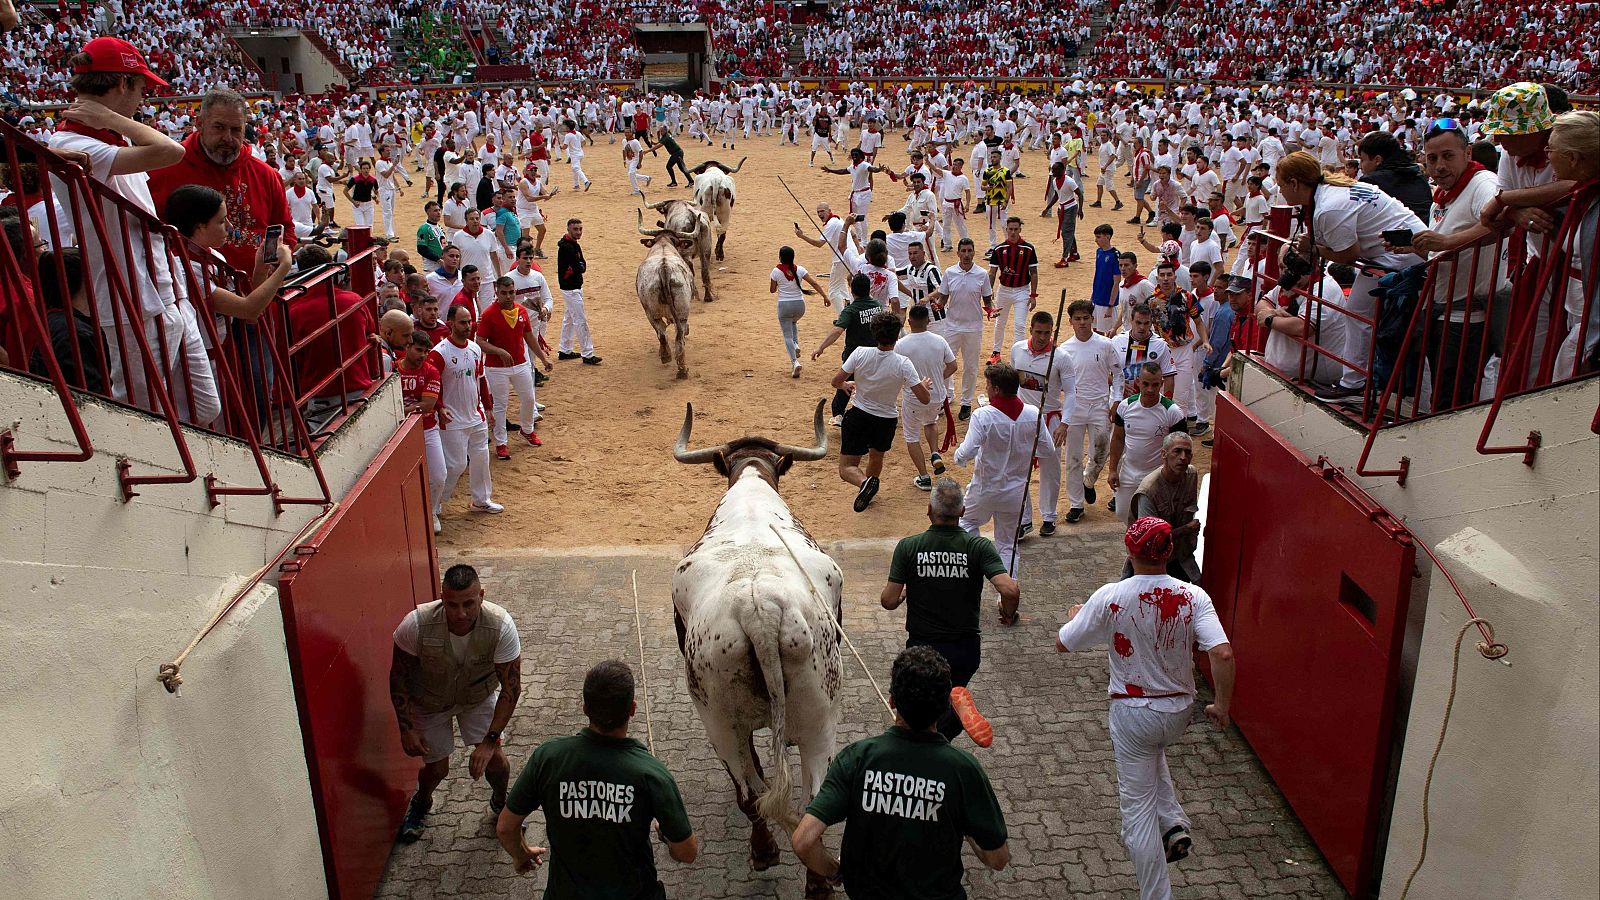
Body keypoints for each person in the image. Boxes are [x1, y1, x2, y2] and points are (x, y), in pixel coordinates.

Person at [1056, 517, 1234, 900]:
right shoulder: (1193, 596)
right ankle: (1171, 823)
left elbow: (1064, 643)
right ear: (1170, 552)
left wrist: (1079, 618)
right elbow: (1221, 651)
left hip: (1133, 712)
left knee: (1135, 815)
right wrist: (1221, 704)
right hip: (1178, 713)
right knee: (1152, 753)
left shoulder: (1110, 595)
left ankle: (1158, 894)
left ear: (1128, 551)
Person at [49, 36, 218, 424]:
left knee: (205, 406)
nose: (144, 96)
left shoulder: (107, 137)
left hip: (164, 288)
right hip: (131, 296)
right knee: (141, 413)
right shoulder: (73, 140)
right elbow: (172, 152)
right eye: (141, 86)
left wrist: (111, 123)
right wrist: (110, 118)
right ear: (122, 83)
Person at [791, 645, 1010, 897]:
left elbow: (803, 841)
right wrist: (969, 830)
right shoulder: (963, 769)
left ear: (892, 700)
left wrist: (833, 870)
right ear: (945, 707)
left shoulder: (857, 758)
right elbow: (998, 859)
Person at [497, 659, 699, 895]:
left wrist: (521, 855)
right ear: (632, 709)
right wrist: (664, 835)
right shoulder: (652, 774)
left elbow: (505, 827)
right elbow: (686, 852)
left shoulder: (549, 758)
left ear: (584, 708)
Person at [1275, 151, 1425, 401]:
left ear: (1294, 183)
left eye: (1281, 186)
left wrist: (1310, 249)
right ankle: (1360, 381)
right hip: (1395, 252)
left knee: (1358, 314)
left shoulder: (1328, 206)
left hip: (1401, 256)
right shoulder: (1330, 191)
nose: (1281, 192)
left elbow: (1346, 255)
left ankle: (1355, 383)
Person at [881, 476, 1019, 745]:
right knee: (942, 698)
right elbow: (1010, 590)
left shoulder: (909, 547)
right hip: (965, 651)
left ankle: (942, 731)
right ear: (962, 512)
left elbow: (887, 600)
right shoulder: (979, 547)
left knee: (913, 712)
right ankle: (952, 715)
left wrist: (901, 598)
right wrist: (1008, 612)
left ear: (929, 511)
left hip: (921, 650)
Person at [391, 563, 523, 841]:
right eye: (452, 605)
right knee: (437, 767)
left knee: (496, 760)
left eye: (468, 604)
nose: (460, 613)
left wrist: (489, 742)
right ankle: (422, 802)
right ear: (442, 598)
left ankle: (501, 803)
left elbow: (511, 690)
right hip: (430, 700)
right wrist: (406, 728)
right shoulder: (415, 625)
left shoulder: (501, 626)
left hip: (476, 696)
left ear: (482, 596)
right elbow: (398, 678)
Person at [147, 88, 295, 278]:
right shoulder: (163, 169)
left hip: (257, 294)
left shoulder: (265, 174)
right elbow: (151, 237)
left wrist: (273, 267)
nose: (228, 138)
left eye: (236, 130)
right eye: (219, 127)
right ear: (199, 124)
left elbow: (285, 229)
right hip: (194, 297)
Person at [953, 363, 1055, 585]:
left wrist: (957, 457)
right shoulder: (1032, 413)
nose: (987, 389)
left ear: (997, 389)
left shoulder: (983, 416)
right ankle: (1008, 593)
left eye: (989, 385)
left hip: (985, 488)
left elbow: (966, 453)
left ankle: (974, 568)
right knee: (1008, 545)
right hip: (1016, 492)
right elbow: (1047, 449)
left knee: (966, 524)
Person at [832, 312, 933, 512]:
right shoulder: (903, 363)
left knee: (846, 468)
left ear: (874, 334)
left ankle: (863, 484)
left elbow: (836, 381)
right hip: (886, 420)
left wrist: (846, 384)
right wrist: (922, 385)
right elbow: (924, 398)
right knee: (876, 458)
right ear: (897, 337)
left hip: (859, 414)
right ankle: (869, 488)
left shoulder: (860, 352)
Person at [428, 303, 504, 518]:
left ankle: (481, 500)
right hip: (451, 419)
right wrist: (440, 409)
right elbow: (432, 385)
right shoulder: (439, 354)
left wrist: (488, 408)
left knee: (481, 459)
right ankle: (434, 505)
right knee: (456, 466)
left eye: (470, 321)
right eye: (463, 322)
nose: (468, 326)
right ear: (450, 323)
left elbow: (481, 380)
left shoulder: (475, 348)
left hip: (475, 415)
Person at [476, 276, 554, 459]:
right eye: (504, 293)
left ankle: (527, 429)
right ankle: (501, 442)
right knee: (501, 405)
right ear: (497, 292)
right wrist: (500, 352)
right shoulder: (488, 314)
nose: (508, 297)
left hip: (520, 364)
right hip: (496, 368)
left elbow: (529, 337)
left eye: (511, 292)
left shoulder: (521, 311)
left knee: (528, 399)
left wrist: (543, 359)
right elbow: (479, 341)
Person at [1060, 300, 1119, 523]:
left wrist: (1115, 400)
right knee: (1073, 457)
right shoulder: (1065, 350)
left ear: (1092, 319)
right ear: (1071, 322)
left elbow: (1118, 374)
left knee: (1101, 451)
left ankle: (1088, 480)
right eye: (1078, 319)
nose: (1082, 322)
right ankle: (1076, 504)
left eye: (1086, 318)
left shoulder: (1105, 344)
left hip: (1100, 406)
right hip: (1074, 409)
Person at [1109, 363, 1189, 522]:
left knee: (1149, 522)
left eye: (1155, 385)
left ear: (1161, 384)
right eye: (1146, 384)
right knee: (1123, 514)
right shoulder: (1125, 406)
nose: (1150, 389)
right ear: (1138, 381)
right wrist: (1112, 469)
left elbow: (1182, 449)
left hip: (1156, 475)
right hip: (1129, 472)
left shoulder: (1172, 412)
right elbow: (1117, 438)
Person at [926, 238, 992, 420]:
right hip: (952, 326)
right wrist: (938, 306)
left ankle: (966, 402)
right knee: (945, 363)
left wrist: (991, 310)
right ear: (958, 253)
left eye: (969, 250)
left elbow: (987, 300)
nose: (966, 254)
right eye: (963, 251)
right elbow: (943, 298)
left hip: (973, 328)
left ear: (973, 252)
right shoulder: (949, 273)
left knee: (970, 367)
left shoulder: (982, 274)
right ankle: (942, 399)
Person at [895, 305, 957, 489]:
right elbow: (953, 366)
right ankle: (935, 452)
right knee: (930, 422)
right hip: (938, 395)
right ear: (929, 322)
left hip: (914, 397)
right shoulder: (939, 340)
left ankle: (924, 476)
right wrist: (938, 377)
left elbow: (895, 371)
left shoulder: (901, 344)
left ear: (909, 321)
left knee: (912, 436)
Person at [1126, 433, 1201, 581]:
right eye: (1177, 451)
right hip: (1151, 564)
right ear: (1163, 454)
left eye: (1188, 452)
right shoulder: (1149, 491)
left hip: (1180, 556)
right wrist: (1186, 529)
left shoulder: (1191, 475)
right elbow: (1149, 538)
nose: (1183, 457)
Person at [812, 273, 882, 427]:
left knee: (844, 383)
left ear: (852, 290)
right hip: (876, 353)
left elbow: (837, 331)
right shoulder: (877, 305)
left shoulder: (850, 310)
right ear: (869, 289)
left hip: (854, 355)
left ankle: (838, 414)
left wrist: (821, 348)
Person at [396, 330, 446, 533]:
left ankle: (432, 511)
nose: (423, 355)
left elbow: (427, 405)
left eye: (426, 351)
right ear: (407, 347)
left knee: (439, 474)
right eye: (419, 350)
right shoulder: (393, 368)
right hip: (397, 432)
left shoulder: (431, 372)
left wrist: (397, 410)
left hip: (426, 428)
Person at [770, 244, 829, 377]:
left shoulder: (776, 271)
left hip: (784, 306)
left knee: (787, 335)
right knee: (793, 322)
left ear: (780, 257)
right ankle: (796, 344)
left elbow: (772, 290)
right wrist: (825, 296)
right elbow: (814, 283)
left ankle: (795, 362)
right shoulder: (800, 269)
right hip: (800, 306)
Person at [986, 216, 1039, 361]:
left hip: (1022, 290)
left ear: (1020, 229)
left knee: (1020, 325)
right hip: (1003, 290)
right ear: (1007, 230)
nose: (1013, 232)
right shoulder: (999, 249)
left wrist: (1033, 295)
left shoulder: (1028, 249)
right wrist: (988, 292)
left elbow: (1033, 273)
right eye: (1011, 229)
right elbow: (992, 272)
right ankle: (996, 352)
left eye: (1016, 229)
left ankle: (1017, 356)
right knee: (1000, 323)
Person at [1356, 130, 1431, 223]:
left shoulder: (1369, 182)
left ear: (1377, 160)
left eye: (1362, 159)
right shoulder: (1418, 175)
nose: (1360, 165)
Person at [555, 218, 601, 364]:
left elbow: (582, 266)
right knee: (580, 320)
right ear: (568, 230)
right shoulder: (568, 247)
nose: (579, 232)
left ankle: (565, 349)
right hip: (571, 288)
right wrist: (578, 267)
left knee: (569, 319)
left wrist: (578, 267)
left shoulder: (572, 245)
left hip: (571, 286)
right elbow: (579, 267)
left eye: (580, 229)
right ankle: (587, 354)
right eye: (575, 229)